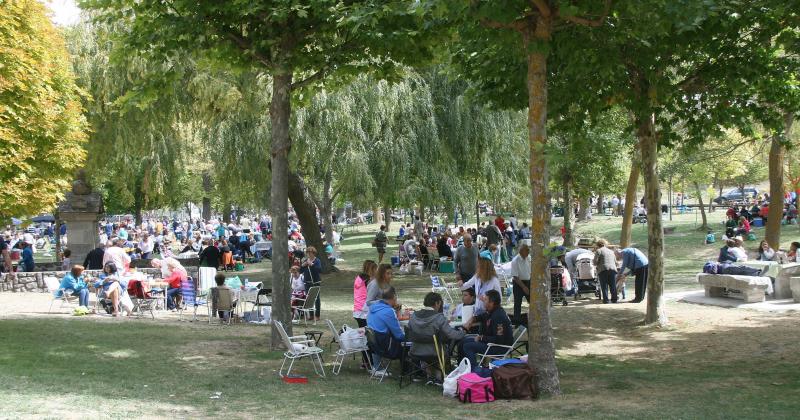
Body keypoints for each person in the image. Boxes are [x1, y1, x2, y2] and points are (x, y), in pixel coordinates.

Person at [408, 292, 466, 376]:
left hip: (415, 350)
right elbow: (452, 335)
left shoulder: (413, 316)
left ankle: (429, 374)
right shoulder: (439, 318)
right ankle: (438, 376)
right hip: (435, 352)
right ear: (437, 303)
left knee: (433, 345)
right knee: (444, 346)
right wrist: (463, 332)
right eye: (440, 303)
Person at [459, 290, 513, 366]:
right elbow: (482, 316)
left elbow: (499, 340)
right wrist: (472, 319)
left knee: (468, 346)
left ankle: (474, 370)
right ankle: (462, 367)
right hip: (492, 343)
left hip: (499, 347)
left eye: (485, 300)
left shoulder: (498, 316)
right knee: (463, 341)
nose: (483, 302)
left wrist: (481, 338)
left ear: (491, 303)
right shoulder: (493, 311)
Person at [366, 286, 405, 376]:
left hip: (374, 344)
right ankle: (407, 372)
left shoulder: (373, 307)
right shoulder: (388, 311)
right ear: (394, 297)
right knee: (408, 344)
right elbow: (399, 335)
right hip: (385, 347)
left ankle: (377, 367)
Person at [458, 251, 502, 315]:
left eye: (479, 266)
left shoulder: (494, 280)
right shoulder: (477, 276)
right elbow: (464, 286)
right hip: (478, 310)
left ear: (484, 267)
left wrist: (486, 299)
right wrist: (460, 283)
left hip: (489, 312)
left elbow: (499, 299)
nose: (477, 267)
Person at [510, 244, 531, 321]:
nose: (529, 252)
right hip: (518, 283)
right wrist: (523, 287)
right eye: (527, 250)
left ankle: (533, 318)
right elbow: (515, 276)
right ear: (521, 251)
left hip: (528, 282)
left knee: (532, 301)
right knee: (517, 304)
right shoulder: (515, 260)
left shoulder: (529, 258)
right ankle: (516, 321)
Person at [593, 239, 618, 304]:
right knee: (613, 285)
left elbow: (595, 262)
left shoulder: (598, 251)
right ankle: (614, 299)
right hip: (613, 269)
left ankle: (606, 300)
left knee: (604, 286)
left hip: (603, 269)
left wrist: (596, 263)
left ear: (598, 245)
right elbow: (616, 262)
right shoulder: (611, 251)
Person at [301, 246, 322, 321]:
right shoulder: (305, 260)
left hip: (315, 282)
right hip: (307, 283)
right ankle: (311, 315)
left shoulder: (317, 261)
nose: (308, 254)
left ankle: (317, 315)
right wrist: (302, 266)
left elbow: (319, 270)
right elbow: (300, 271)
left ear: (313, 253)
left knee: (316, 299)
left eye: (310, 252)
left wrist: (312, 265)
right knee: (309, 299)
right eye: (307, 252)